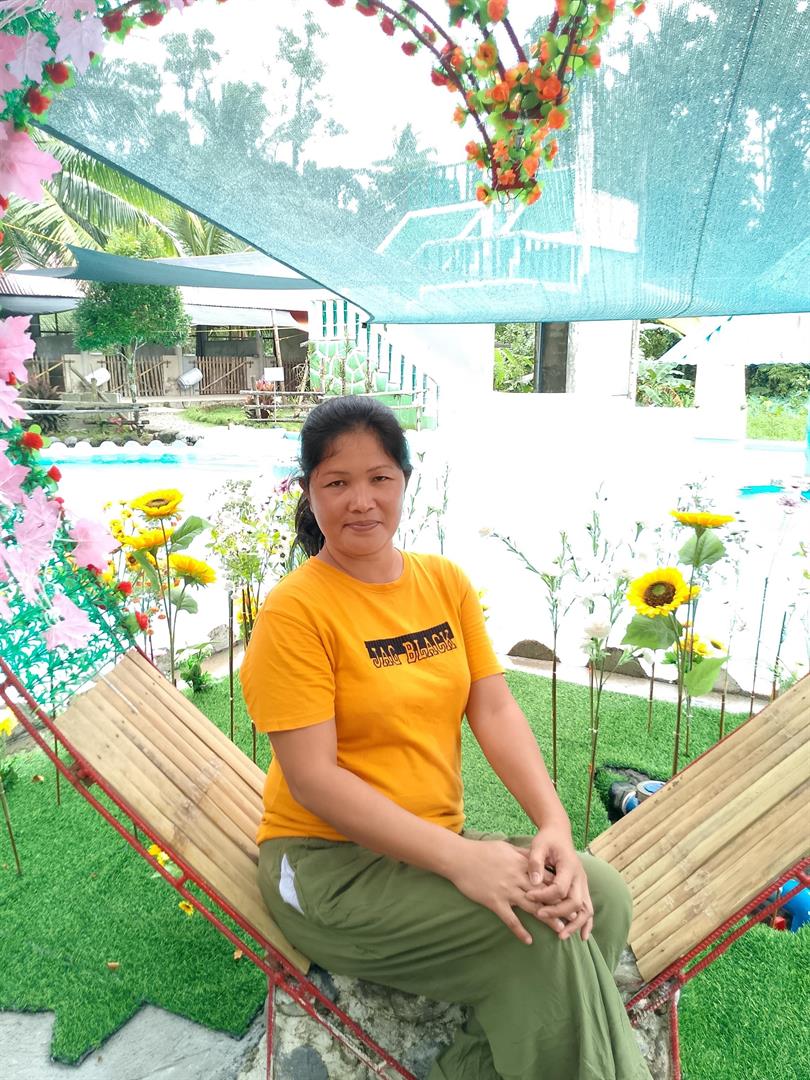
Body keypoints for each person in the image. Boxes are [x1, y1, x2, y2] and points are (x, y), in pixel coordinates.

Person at [240, 396, 652, 1080]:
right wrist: (461, 860)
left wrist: (552, 825)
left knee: (602, 895)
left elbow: (493, 710)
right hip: (327, 870)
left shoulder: (443, 582)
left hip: (427, 850)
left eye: (380, 478)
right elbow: (313, 780)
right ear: (309, 492)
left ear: (405, 481)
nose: (361, 501)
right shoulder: (296, 611)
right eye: (337, 482)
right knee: (538, 931)